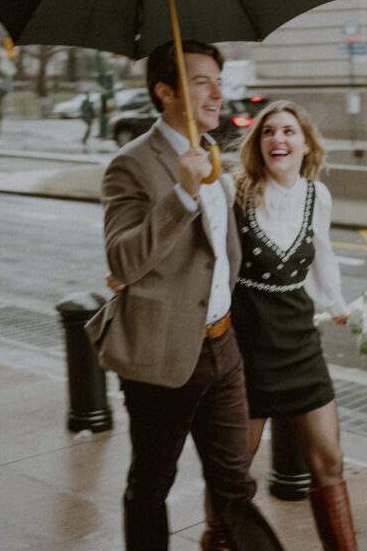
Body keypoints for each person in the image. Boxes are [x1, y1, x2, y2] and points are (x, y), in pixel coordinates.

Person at [85, 39, 285, 551]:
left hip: (223, 348)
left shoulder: (214, 156)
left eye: (218, 80)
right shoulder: (132, 164)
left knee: (235, 487)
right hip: (162, 356)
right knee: (151, 486)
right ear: (165, 91)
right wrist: (182, 194)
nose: (218, 93)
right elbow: (124, 260)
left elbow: (221, 255)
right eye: (202, 82)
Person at [201, 99, 357, 551]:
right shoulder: (235, 189)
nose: (278, 139)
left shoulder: (317, 196)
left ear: (305, 144)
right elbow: (202, 243)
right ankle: (219, 543)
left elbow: (322, 253)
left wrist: (337, 303)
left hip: (300, 340)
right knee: (234, 472)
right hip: (246, 347)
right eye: (269, 132)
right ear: (258, 143)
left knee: (329, 460)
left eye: (289, 131)